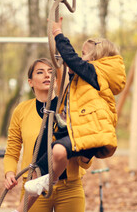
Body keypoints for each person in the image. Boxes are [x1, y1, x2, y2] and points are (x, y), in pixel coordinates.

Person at [24, 16, 126, 197]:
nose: (81, 57)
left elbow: (72, 58)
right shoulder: (93, 77)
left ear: (96, 57)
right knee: (45, 156)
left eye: (84, 53)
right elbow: (76, 96)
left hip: (94, 130)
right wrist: (71, 74)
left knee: (57, 150)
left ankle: (50, 179)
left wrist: (57, 33)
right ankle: (21, 208)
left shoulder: (95, 72)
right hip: (90, 128)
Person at [0, 57, 93, 212]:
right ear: (30, 82)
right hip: (33, 186)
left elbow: (84, 153)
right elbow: (12, 149)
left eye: (51, 71)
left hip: (69, 187)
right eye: (40, 72)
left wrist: (87, 157)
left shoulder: (69, 107)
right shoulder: (21, 110)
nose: (47, 75)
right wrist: (9, 172)